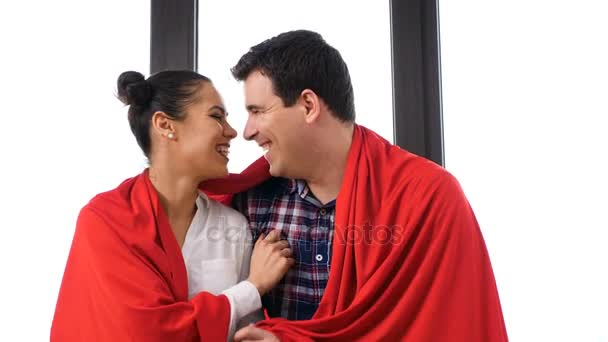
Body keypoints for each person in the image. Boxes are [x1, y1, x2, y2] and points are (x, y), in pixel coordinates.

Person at [200, 30, 509, 341]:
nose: (247, 131)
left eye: (257, 111)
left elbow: (455, 325)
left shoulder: (429, 197)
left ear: (308, 106)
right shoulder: (248, 204)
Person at [51, 70, 294, 341]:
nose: (232, 131)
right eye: (216, 116)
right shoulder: (103, 219)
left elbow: (247, 332)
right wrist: (253, 286)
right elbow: (143, 331)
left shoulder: (232, 226)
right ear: (165, 125)